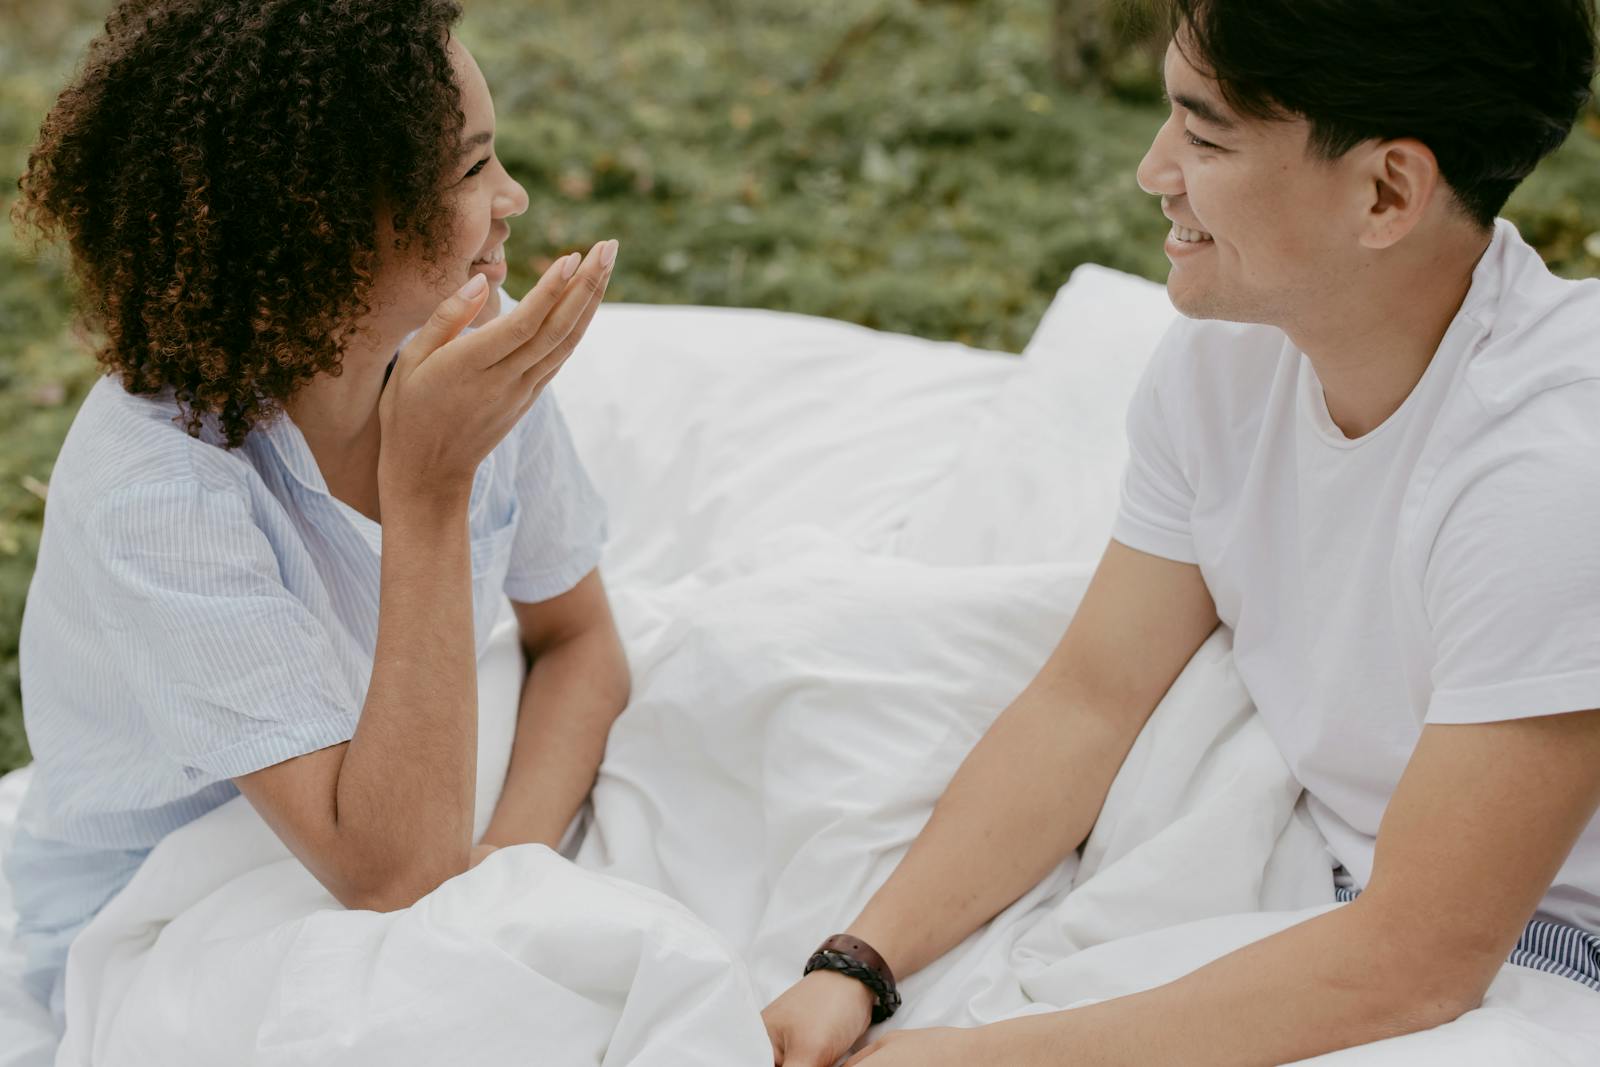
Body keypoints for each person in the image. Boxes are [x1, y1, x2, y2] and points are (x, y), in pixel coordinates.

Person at [763, 0, 1600, 1063]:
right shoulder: (1226, 358)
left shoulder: (1554, 471)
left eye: (1204, 138)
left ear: (1387, 190)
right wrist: (858, 964)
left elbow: (1415, 962)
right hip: (1331, 872)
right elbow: (1089, 696)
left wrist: (968, 1057)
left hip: (1544, 950)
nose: (1154, 170)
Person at [4, 0, 630, 1028]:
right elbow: (395, 877)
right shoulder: (157, 486)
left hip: (391, 820)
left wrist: (512, 869)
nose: (512, 197)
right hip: (173, 901)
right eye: (472, 171)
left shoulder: (468, 349)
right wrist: (430, 485)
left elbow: (578, 639)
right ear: (326, 225)